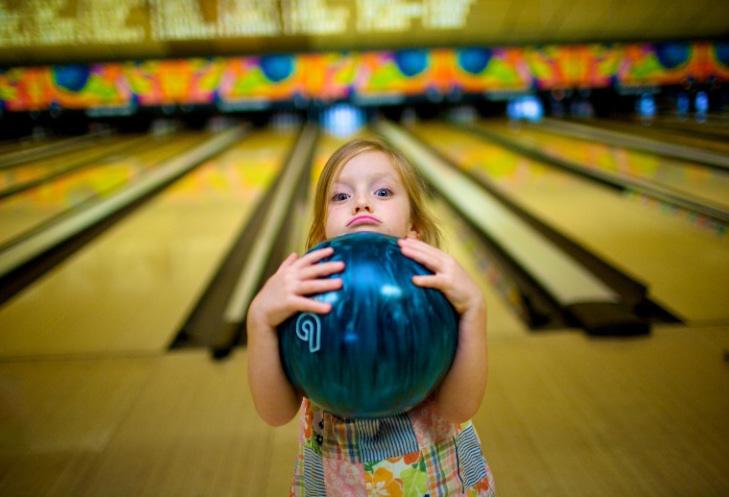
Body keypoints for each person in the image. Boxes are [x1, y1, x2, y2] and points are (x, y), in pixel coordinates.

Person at [247, 138, 495, 496]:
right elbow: (276, 413)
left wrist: (474, 309)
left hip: (440, 484)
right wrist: (260, 321)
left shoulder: (437, 292)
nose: (361, 202)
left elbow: (459, 408)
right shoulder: (306, 293)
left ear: (414, 229)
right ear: (321, 235)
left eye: (382, 192)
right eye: (341, 196)